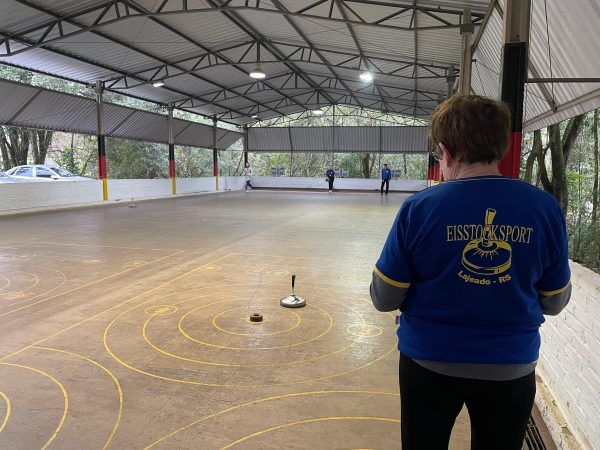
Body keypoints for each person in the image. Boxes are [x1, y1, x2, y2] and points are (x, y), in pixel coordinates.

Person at [370, 95, 571, 450]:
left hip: (429, 362)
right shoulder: (544, 208)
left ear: (445, 152)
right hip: (510, 365)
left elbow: (385, 297)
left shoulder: (419, 208)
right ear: (500, 147)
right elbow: (554, 301)